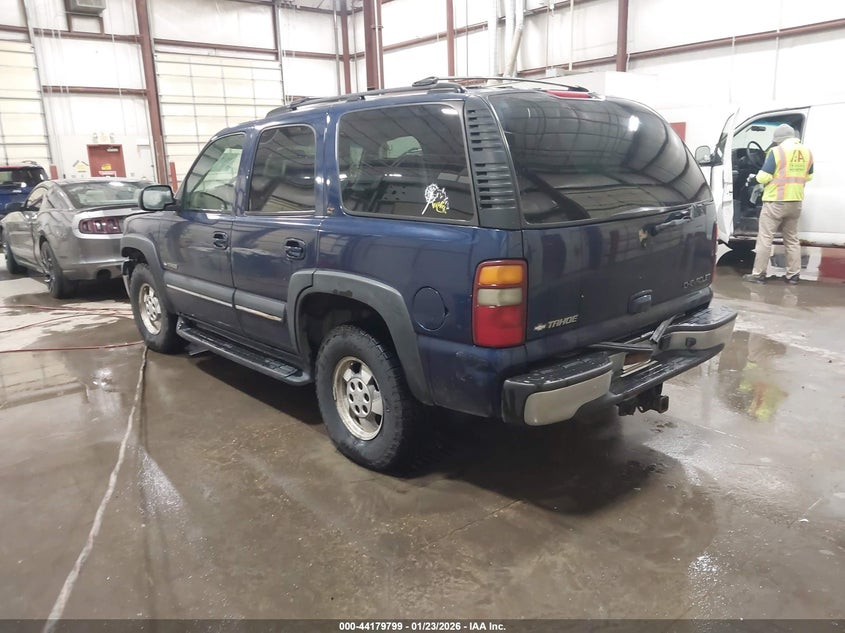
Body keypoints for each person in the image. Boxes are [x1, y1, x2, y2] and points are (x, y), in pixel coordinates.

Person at [743, 123, 814, 284]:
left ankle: (758, 274)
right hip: (795, 201)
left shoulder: (777, 152)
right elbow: (809, 177)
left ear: (778, 139)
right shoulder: (807, 151)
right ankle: (793, 275)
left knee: (765, 238)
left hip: (775, 201)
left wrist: (753, 178)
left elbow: (764, 177)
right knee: (791, 239)